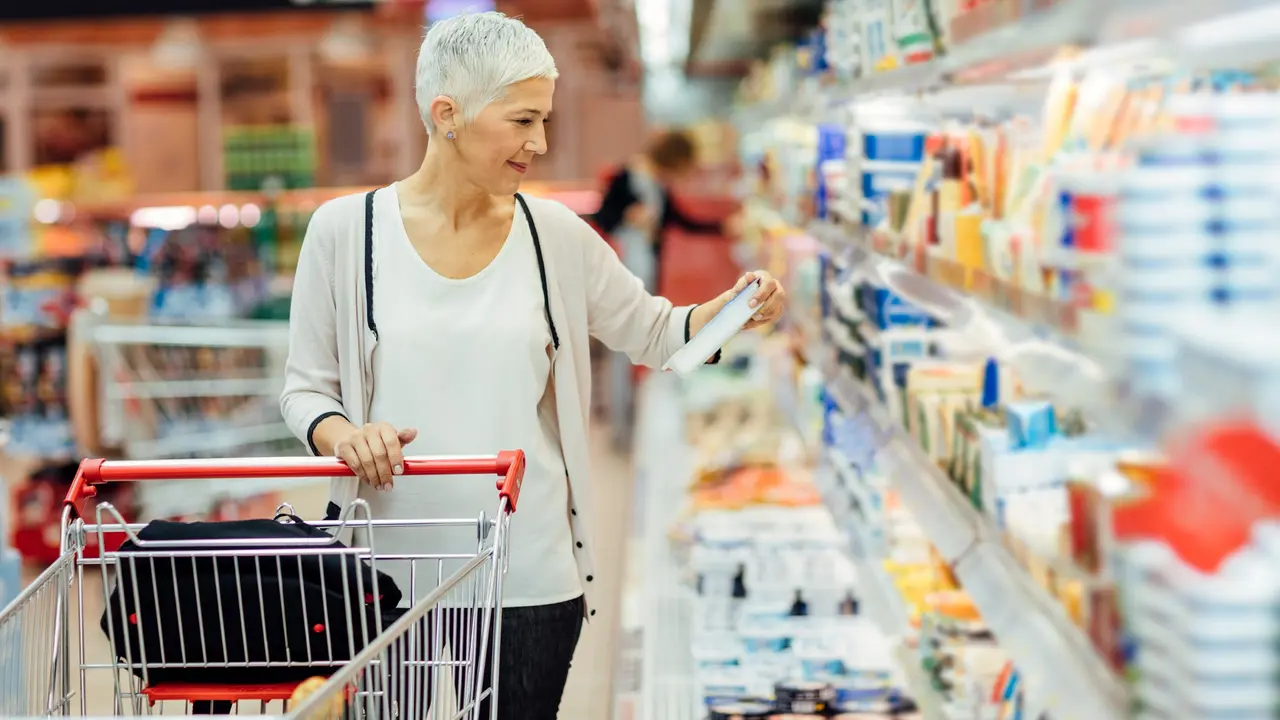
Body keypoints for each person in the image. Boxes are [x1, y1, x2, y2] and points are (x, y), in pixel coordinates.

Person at [279, 11, 786, 719]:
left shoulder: (556, 237)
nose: (540, 143)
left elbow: (659, 336)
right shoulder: (345, 231)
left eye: (542, 120)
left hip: (527, 573)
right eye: (522, 121)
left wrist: (732, 310)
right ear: (447, 114)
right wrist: (344, 435)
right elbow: (306, 392)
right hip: (385, 573)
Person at [592, 128, 737, 292]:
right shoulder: (623, 178)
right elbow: (602, 219)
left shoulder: (659, 186)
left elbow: (681, 220)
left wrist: (721, 227)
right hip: (621, 269)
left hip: (648, 273)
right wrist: (627, 215)